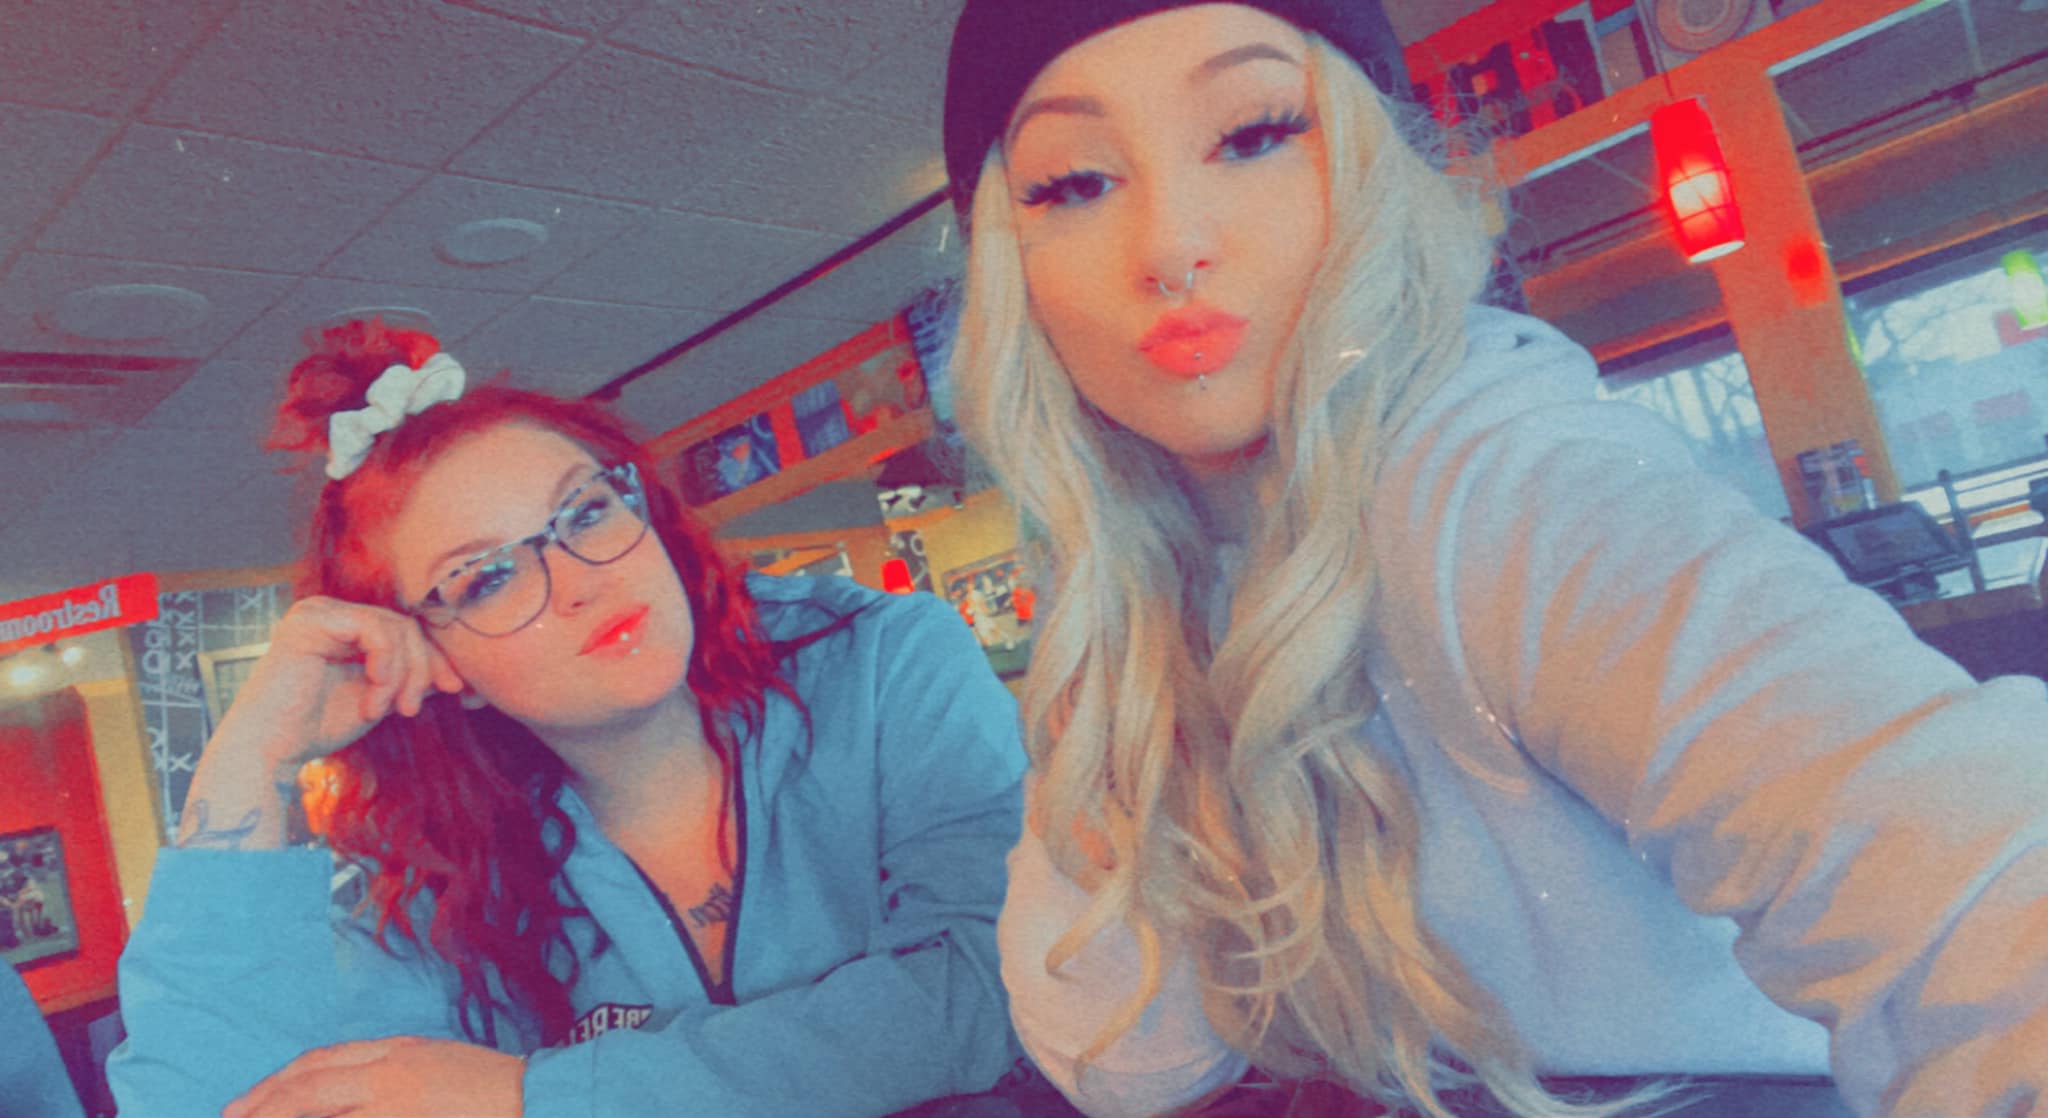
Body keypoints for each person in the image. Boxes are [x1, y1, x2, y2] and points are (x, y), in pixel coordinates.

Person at [937, 3, 2048, 1116]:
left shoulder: (1497, 480)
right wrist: (1115, 721)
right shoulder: (1132, 590)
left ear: (1373, 177)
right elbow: (1130, 1068)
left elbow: (1974, 878)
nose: (1170, 245)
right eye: (1073, 184)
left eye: (1255, 133)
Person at [106, 320, 1027, 1117]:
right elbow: (226, 1106)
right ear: (438, 662)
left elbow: (986, 992)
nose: (582, 579)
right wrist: (248, 756)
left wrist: (535, 1098)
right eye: (487, 577)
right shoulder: (443, 895)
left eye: (584, 512)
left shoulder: (882, 661)